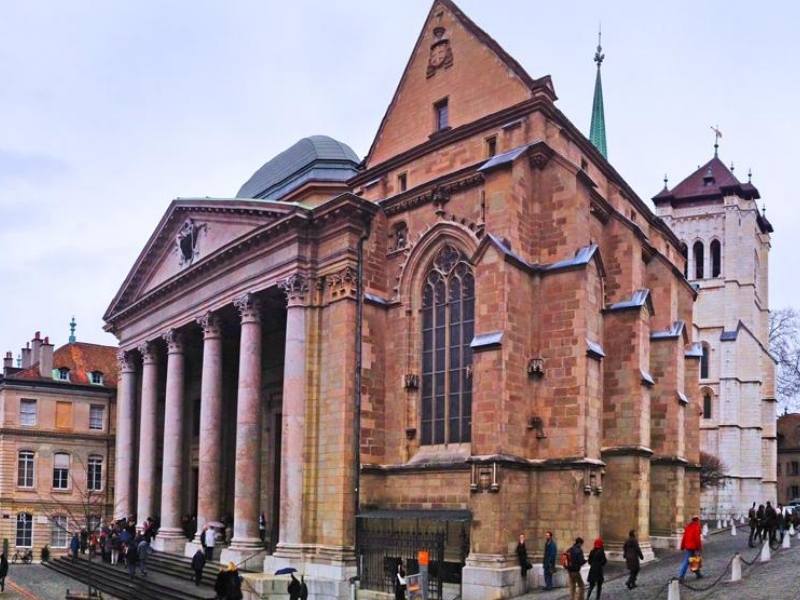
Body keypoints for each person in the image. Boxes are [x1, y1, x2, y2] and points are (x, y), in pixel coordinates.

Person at [678, 516, 703, 580]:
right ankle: (681, 575)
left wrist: (682, 546)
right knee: (687, 561)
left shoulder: (688, 527)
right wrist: (699, 548)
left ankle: (698, 574)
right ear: (697, 520)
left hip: (688, 546)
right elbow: (697, 539)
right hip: (693, 546)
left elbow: (684, 537)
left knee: (694, 560)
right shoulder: (697, 527)